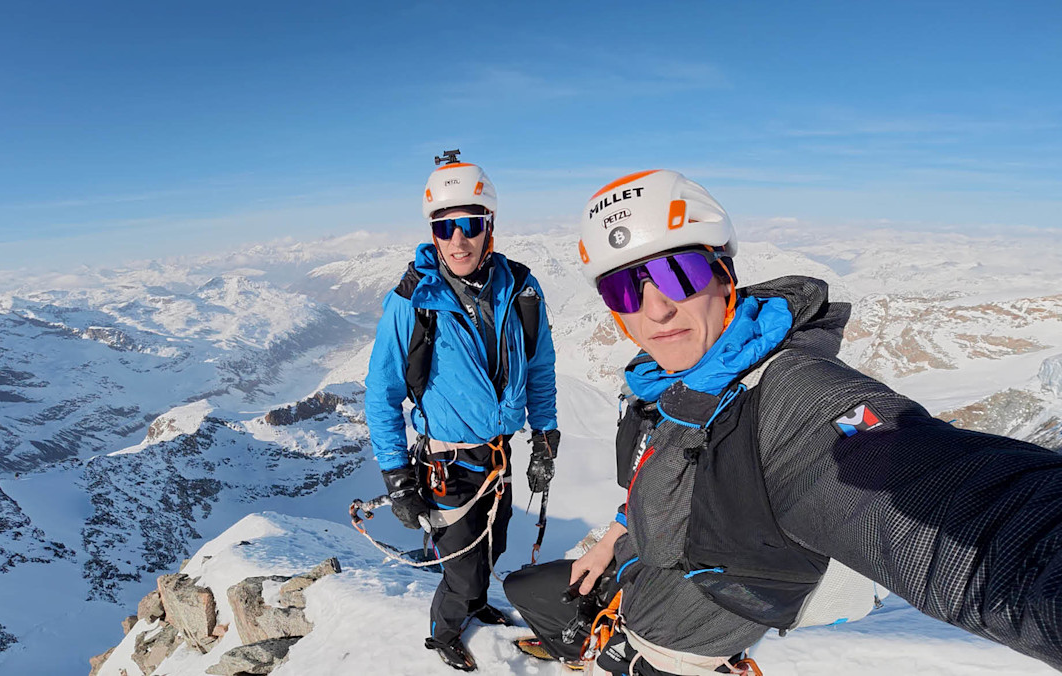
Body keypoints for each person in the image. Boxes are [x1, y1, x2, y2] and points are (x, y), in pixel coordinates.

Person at [504, 169, 1062, 674]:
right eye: (624, 288)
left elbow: (938, 496)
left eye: (679, 272)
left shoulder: (794, 395)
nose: (655, 309)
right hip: (649, 595)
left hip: (685, 648)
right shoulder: (670, 385)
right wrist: (616, 536)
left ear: (725, 273)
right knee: (529, 588)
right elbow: (677, 476)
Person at [365, 151, 561, 671]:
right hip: (446, 464)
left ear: (488, 226)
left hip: (497, 457)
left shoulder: (520, 288)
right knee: (462, 568)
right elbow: (381, 392)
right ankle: (444, 632)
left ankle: (474, 608)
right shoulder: (413, 301)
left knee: (492, 548)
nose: (459, 240)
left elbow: (540, 367)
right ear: (433, 231)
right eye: (446, 226)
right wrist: (396, 476)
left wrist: (544, 436)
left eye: (469, 224)